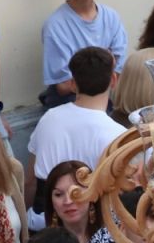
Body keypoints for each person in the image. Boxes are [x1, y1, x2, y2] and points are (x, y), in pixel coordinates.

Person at [27, 49, 118, 210]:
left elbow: (30, 181)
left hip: (44, 218)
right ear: (113, 80)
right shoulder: (117, 135)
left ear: (73, 84)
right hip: (91, 224)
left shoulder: (49, 118)